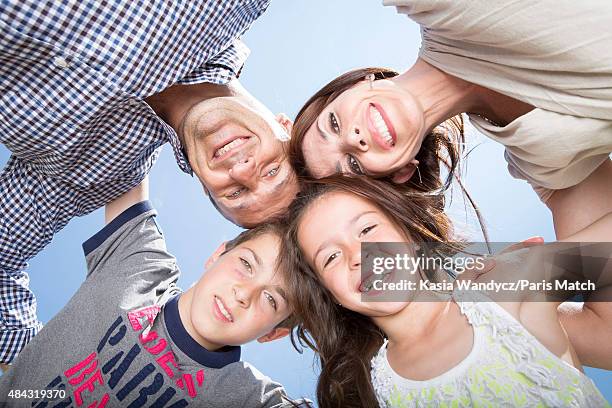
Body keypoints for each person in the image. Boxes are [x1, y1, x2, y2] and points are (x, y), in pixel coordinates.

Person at [0, 0, 299, 366]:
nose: (243, 170)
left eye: (235, 193)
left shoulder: (97, 173)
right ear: (288, 127)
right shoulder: (231, 8)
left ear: (205, 187)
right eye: (273, 171)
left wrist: (33, 376)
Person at [289, 0, 612, 240]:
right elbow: (602, 320)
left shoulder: (438, 7)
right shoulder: (544, 157)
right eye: (353, 166)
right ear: (401, 173)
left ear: (356, 84)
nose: (352, 140)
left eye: (332, 124)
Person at [281, 175, 610, 407]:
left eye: (367, 229)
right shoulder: (365, 390)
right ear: (328, 293)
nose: (358, 256)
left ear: (407, 231)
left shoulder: (499, 287)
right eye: (331, 257)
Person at [0, 178, 309, 407]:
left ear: (274, 333)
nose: (245, 293)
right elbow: (130, 143)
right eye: (246, 264)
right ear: (217, 254)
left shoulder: (246, 397)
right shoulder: (141, 263)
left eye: (271, 299)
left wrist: (360, 232)